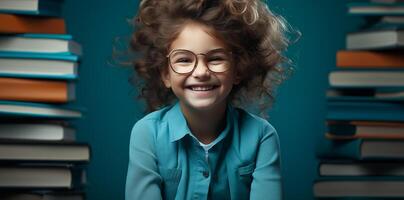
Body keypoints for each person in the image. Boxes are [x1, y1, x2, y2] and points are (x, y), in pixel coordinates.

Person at [125, 0, 295, 199]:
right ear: (165, 74)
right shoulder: (147, 134)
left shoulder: (261, 136)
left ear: (238, 69)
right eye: (184, 60)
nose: (201, 72)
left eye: (216, 58)